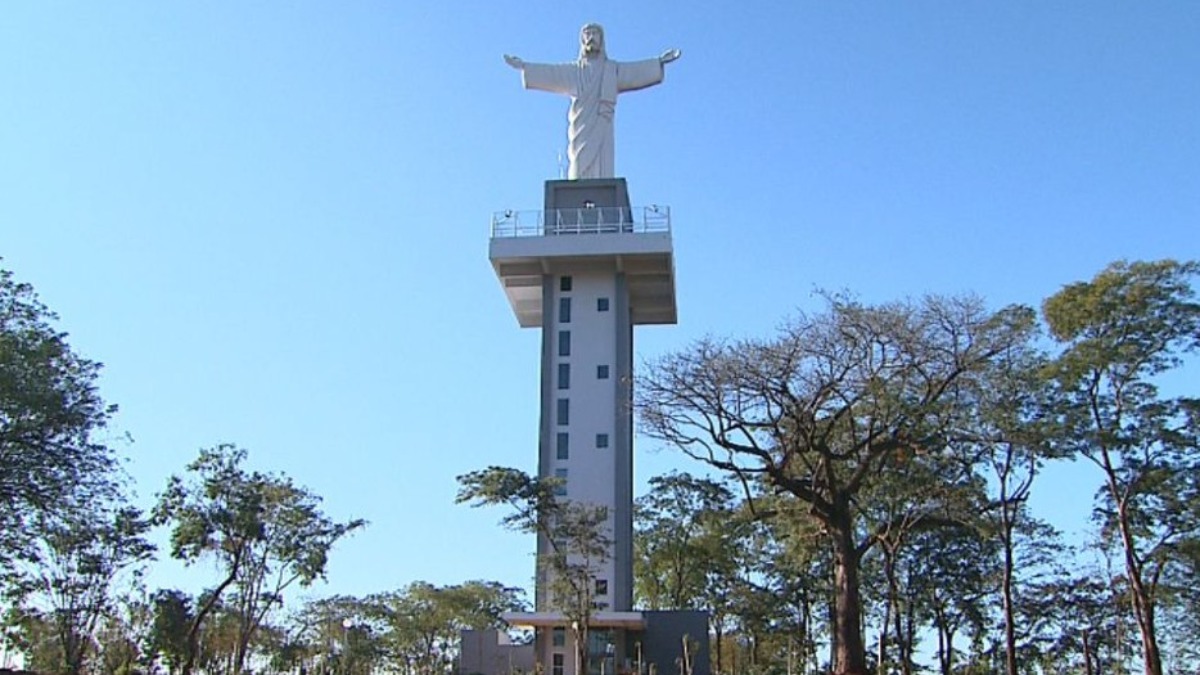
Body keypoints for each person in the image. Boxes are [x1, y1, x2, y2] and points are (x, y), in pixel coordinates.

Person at [505, 23, 681, 180]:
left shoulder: (612, 69)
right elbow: (551, 73)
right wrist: (525, 67)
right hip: (581, 124)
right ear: (582, 40)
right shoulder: (572, 71)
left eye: (595, 34)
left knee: (603, 161)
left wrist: (658, 63)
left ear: (602, 39)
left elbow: (633, 72)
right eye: (587, 34)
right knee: (578, 163)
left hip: (602, 124)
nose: (591, 38)